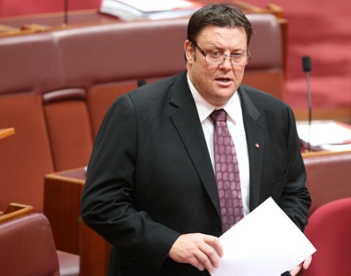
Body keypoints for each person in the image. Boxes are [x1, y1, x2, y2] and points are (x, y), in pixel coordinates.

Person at [80, 3, 312, 276]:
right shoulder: (135, 113)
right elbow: (100, 204)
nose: (227, 66)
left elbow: (295, 194)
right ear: (190, 51)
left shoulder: (275, 114)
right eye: (214, 53)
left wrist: (286, 245)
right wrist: (169, 242)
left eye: (237, 55)